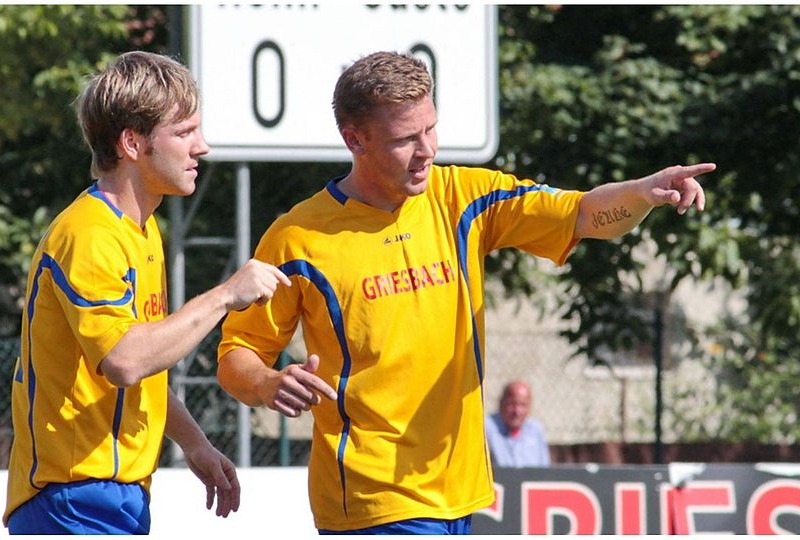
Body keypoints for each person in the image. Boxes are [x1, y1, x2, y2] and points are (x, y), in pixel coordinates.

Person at [216, 50, 714, 534]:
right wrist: (268, 383)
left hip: (463, 491)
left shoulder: (465, 199)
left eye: (430, 129)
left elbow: (583, 213)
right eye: (405, 139)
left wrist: (643, 192)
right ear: (355, 139)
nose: (427, 149)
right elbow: (237, 353)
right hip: (374, 501)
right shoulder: (298, 238)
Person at [3, 51, 291, 534]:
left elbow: (143, 366)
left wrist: (193, 441)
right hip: (72, 500)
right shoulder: (90, 233)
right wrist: (224, 296)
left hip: (114, 498)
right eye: (184, 133)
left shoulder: (141, 229)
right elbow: (125, 360)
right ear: (132, 142)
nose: (202, 146)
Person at [485, 381, 550, 468]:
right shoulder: (486, 427)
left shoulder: (536, 429)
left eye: (523, 405)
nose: (517, 411)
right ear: (501, 403)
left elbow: (544, 470)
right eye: (512, 404)